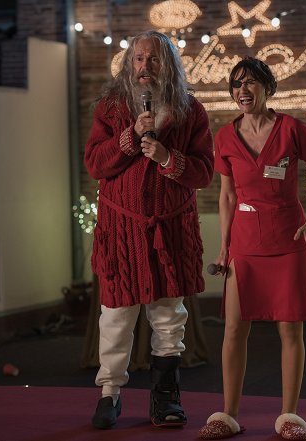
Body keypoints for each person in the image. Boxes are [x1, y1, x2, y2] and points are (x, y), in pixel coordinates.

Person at [198, 57, 306, 440]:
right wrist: (224, 247)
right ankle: (228, 415)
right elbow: (227, 196)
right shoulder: (225, 137)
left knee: (290, 329)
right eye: (236, 84)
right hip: (244, 242)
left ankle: (289, 416)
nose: (243, 90)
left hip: (289, 239)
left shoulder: (292, 129)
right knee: (234, 328)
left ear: (267, 88)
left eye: (251, 82)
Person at [84, 30, 214, 430]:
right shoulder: (110, 108)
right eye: (139, 59)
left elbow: (204, 173)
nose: (145, 67)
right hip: (121, 232)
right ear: (129, 64)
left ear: (169, 65)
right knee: (116, 317)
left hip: (169, 231)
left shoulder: (191, 111)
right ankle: (109, 394)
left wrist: (167, 157)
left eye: (154, 59)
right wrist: (129, 139)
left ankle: (165, 396)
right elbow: (95, 164)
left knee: (168, 317)